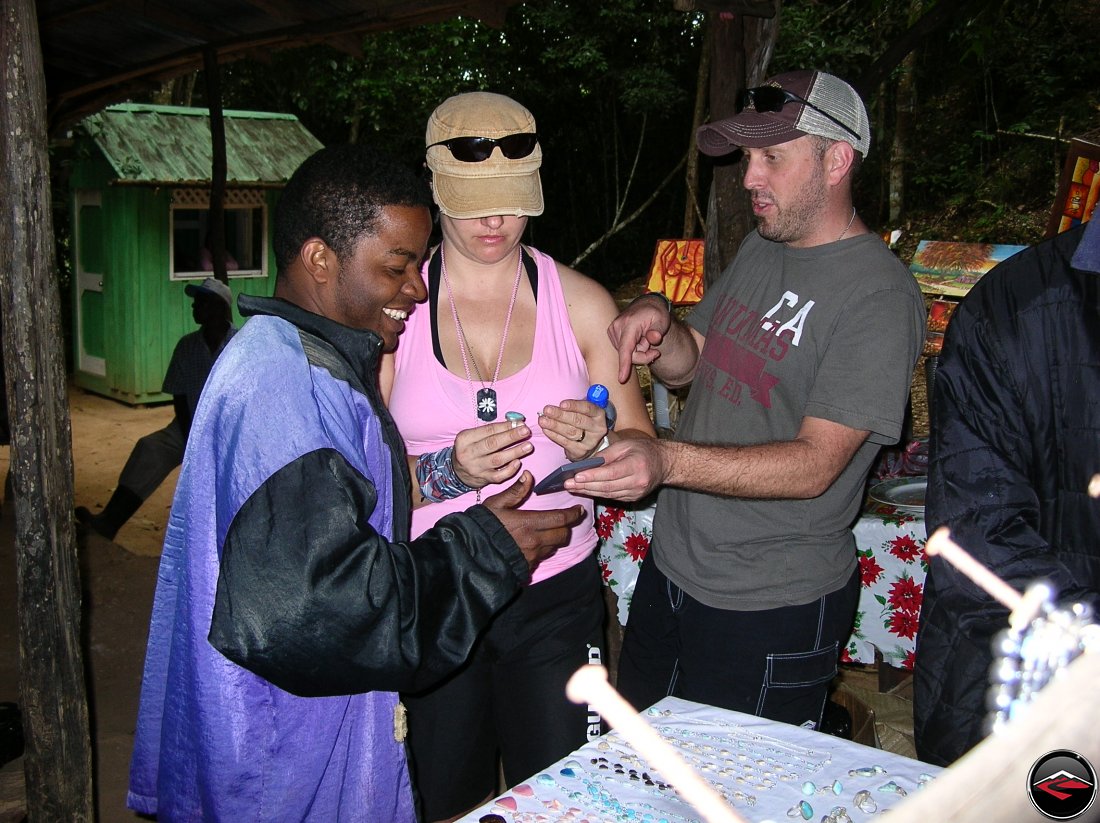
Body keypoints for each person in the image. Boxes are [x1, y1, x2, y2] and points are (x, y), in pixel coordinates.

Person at [126, 144, 583, 822]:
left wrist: (447, 474)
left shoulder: (299, 360)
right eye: (398, 267)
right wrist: (484, 549)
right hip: (281, 766)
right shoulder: (285, 389)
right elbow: (320, 608)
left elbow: (346, 505)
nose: (418, 288)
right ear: (320, 258)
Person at [565, 70, 925, 728]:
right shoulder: (766, 246)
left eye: (772, 158)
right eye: (748, 157)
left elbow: (818, 464)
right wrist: (660, 324)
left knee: (732, 795)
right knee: (639, 765)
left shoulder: (879, 294)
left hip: (769, 602)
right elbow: (694, 362)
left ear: (837, 159)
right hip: (675, 570)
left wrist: (665, 460)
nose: (749, 176)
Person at [380, 91, 655, 821]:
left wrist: (602, 445)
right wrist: (446, 472)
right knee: (442, 796)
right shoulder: (393, 312)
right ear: (435, 189)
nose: (495, 221)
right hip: (434, 589)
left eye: (510, 201)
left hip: (553, 599)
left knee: (566, 798)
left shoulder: (584, 303)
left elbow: (642, 450)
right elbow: (356, 484)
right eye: (473, 203)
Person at [913, 217, 1100, 766]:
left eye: (770, 158)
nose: (754, 175)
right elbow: (973, 536)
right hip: (1024, 717)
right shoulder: (1016, 308)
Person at [75, 277, 236, 540]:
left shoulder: (238, 346)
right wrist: (190, 438)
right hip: (189, 425)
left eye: (201, 303)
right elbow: (180, 397)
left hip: (229, 431)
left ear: (220, 307)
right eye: (194, 304)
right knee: (150, 448)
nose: (194, 308)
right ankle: (109, 521)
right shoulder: (187, 346)